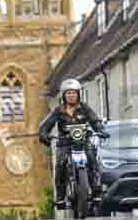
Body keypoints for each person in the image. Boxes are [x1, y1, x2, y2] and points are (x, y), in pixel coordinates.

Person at [39, 78, 110, 208]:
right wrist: (44, 134)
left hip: (83, 141)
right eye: (68, 93)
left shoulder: (84, 108)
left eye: (74, 93)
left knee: (92, 161)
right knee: (60, 165)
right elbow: (46, 125)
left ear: (78, 94)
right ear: (64, 95)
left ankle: (96, 193)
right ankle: (60, 197)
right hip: (65, 143)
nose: (71, 95)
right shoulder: (58, 111)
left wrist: (100, 130)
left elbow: (95, 121)